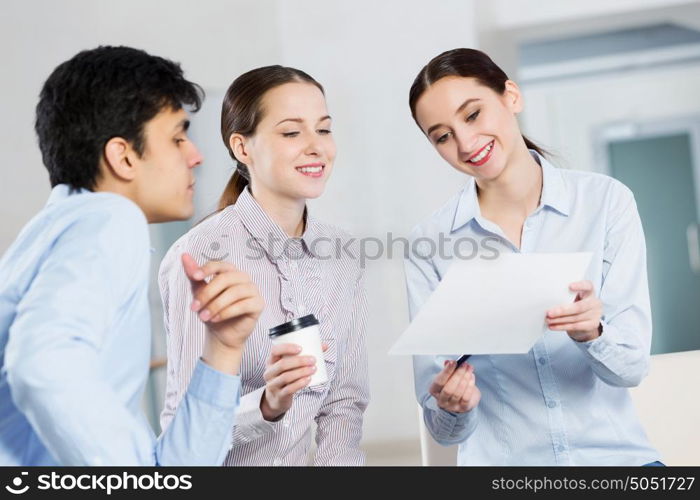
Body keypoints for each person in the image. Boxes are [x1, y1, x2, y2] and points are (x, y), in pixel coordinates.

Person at [0, 46, 263, 465]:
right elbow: (40, 364)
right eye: (178, 137)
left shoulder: (49, 234)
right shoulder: (109, 218)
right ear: (123, 156)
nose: (195, 156)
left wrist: (225, 348)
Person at [406, 48, 661, 465]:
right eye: (442, 136)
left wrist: (592, 333)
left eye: (472, 115)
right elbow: (442, 430)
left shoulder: (605, 203)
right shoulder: (429, 244)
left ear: (511, 96)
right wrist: (453, 406)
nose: (466, 143)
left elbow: (631, 368)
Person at [159, 65, 369, 466]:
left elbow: (344, 404)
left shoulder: (343, 255)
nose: (316, 146)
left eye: (323, 129)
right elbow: (182, 438)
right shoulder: (200, 257)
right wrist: (267, 405)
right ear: (242, 147)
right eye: (292, 132)